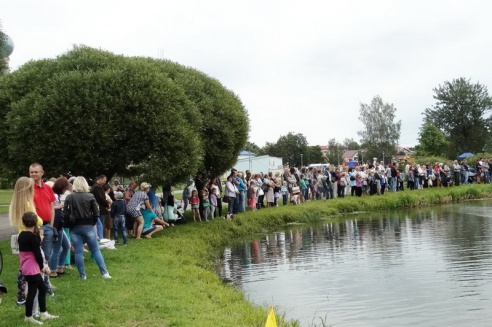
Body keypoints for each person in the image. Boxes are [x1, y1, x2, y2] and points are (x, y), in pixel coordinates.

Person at [64, 176, 111, 279]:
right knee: (95, 250)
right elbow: (96, 212)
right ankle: (104, 273)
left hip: (75, 226)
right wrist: (93, 222)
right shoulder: (90, 196)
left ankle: (82, 275)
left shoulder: (69, 197)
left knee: (78, 251)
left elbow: (65, 213)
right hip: (88, 225)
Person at [18, 211, 59, 324]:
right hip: (33, 269)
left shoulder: (21, 235)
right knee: (32, 292)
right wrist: (42, 267)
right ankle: (28, 316)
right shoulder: (33, 237)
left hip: (26, 266)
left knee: (43, 289)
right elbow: (37, 254)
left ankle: (43, 313)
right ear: (36, 223)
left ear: (23, 222)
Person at [9, 177, 44, 305]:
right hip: (31, 235)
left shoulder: (16, 203)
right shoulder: (28, 204)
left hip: (21, 236)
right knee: (36, 264)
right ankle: (28, 293)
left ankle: (22, 294)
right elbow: (38, 221)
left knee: (24, 266)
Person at [29, 163, 56, 281]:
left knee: (47, 255)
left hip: (47, 226)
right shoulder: (28, 188)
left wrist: (51, 225)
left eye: (36, 172)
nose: (33, 174)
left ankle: (45, 280)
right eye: (31, 172)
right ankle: (38, 280)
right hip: (34, 227)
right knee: (35, 256)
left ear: (42, 173)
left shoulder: (48, 188)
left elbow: (52, 207)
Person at [49, 177, 71, 278]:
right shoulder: (52, 194)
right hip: (55, 225)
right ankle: (53, 271)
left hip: (59, 223)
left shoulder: (57, 195)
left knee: (66, 246)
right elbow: (50, 207)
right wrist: (61, 206)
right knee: (56, 249)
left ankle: (60, 267)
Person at [90, 175, 108, 240]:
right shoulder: (96, 187)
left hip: (98, 207)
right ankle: (100, 238)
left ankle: (100, 238)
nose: (104, 182)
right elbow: (100, 198)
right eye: (104, 181)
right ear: (100, 179)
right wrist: (107, 204)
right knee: (100, 224)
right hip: (99, 207)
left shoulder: (96, 187)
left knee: (99, 224)